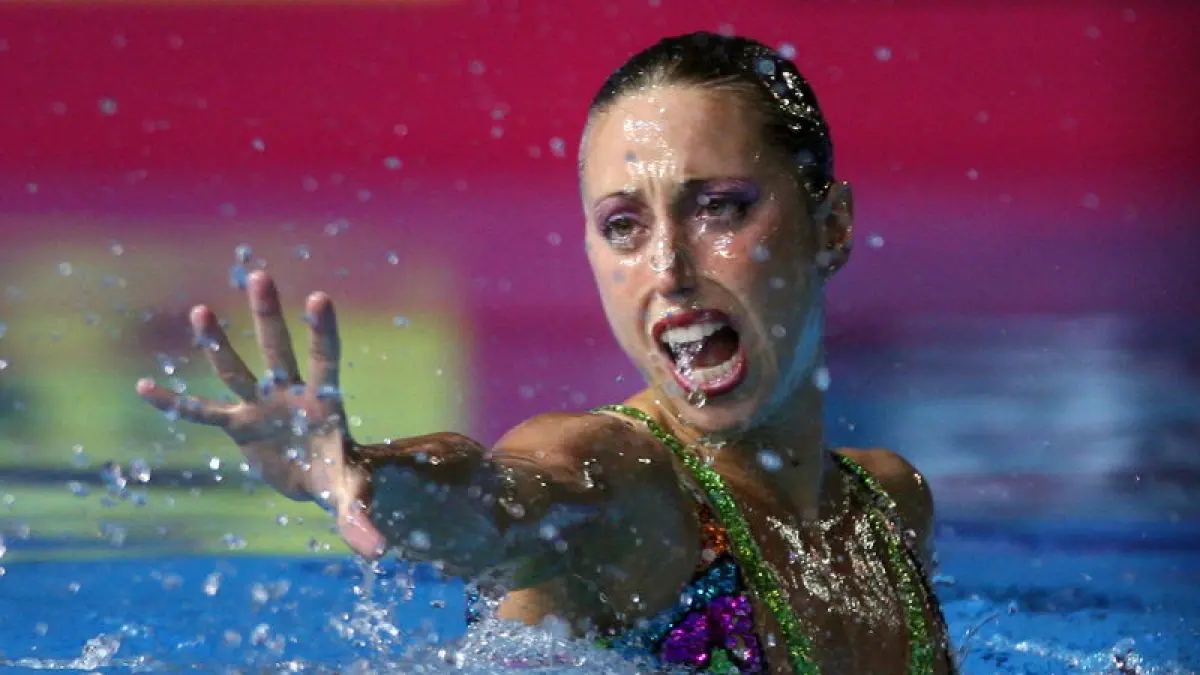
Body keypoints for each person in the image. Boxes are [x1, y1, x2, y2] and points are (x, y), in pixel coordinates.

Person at [136, 32, 955, 675]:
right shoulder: (630, 483)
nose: (668, 268)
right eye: (624, 225)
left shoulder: (887, 506)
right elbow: (501, 499)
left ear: (832, 227)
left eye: (719, 208)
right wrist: (370, 477)